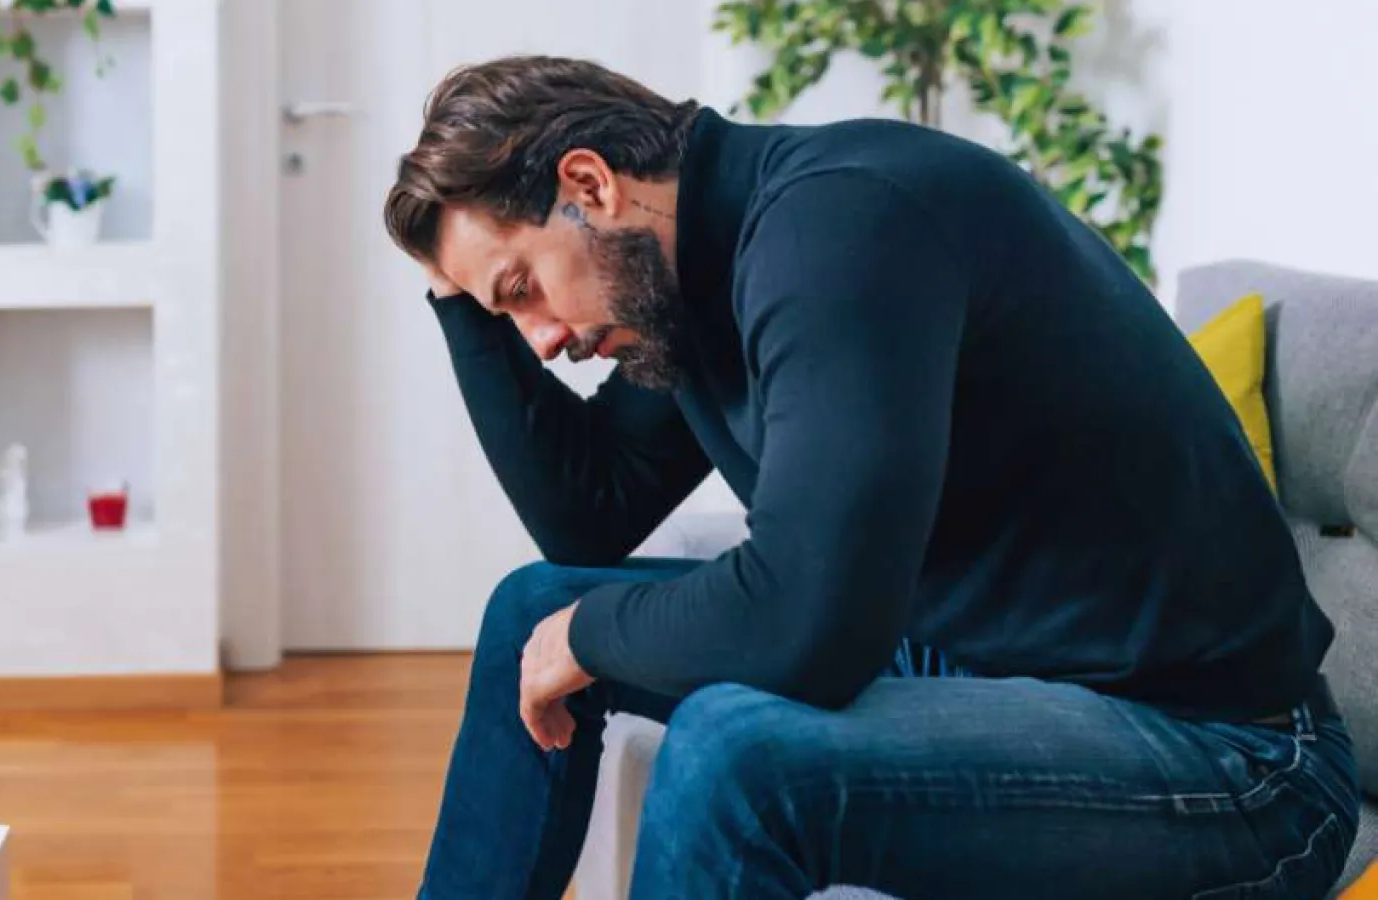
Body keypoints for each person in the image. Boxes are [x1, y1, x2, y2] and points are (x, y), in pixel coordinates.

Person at [381, 55, 1359, 900]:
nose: (541, 341)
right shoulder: (687, 271)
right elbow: (588, 517)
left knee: (733, 750)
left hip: (1232, 757)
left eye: (522, 289)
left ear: (590, 185)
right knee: (531, 609)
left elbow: (809, 624)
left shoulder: (843, 227)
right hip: (984, 663)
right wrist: (458, 296)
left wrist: (589, 636)